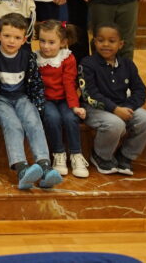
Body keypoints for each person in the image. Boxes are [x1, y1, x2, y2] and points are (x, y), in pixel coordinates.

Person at [0, 13, 62, 190]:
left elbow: (35, 83)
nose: (11, 41)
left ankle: (44, 166)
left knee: (33, 121)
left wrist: (39, 107)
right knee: (13, 124)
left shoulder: (28, 57)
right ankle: (21, 168)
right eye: (7, 36)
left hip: (21, 97)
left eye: (17, 37)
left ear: (24, 40)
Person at [80, 22, 146, 176]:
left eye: (112, 41)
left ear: (121, 44)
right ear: (94, 42)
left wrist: (128, 107)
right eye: (101, 40)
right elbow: (89, 94)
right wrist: (115, 110)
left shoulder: (127, 64)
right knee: (115, 124)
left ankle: (126, 155)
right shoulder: (87, 63)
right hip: (95, 108)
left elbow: (140, 90)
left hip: (123, 105)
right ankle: (101, 156)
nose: (106, 44)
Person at [34, 20, 88, 178]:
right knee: (52, 117)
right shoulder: (35, 58)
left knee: (71, 118)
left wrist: (74, 106)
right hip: (46, 99)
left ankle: (76, 154)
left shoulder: (68, 58)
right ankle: (58, 154)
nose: (45, 46)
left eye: (51, 42)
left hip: (65, 98)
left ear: (63, 42)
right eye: (42, 41)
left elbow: (69, 83)